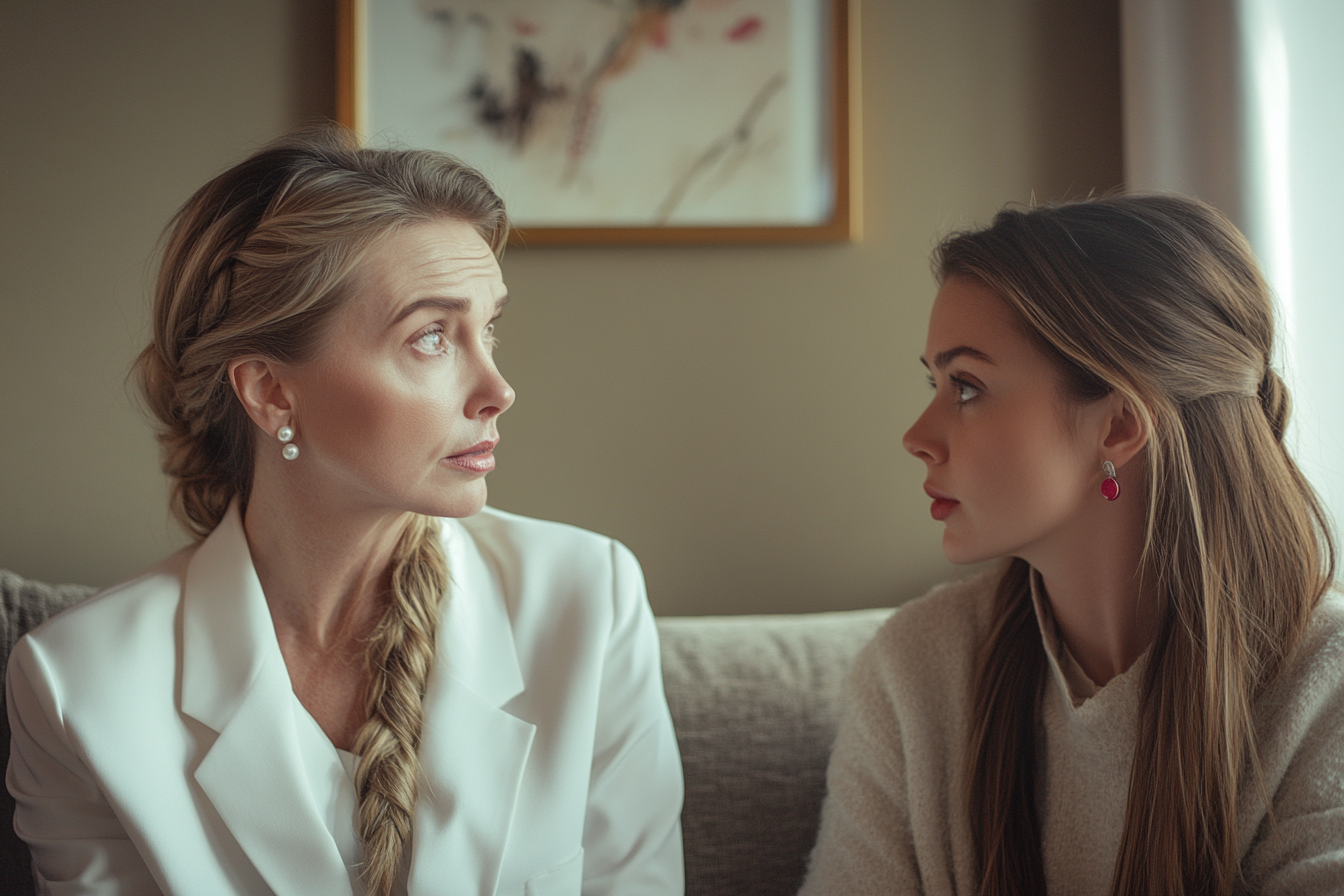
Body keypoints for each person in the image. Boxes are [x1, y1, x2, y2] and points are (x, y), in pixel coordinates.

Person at [5, 125, 684, 895]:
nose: (498, 389)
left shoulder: (588, 598)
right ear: (270, 391)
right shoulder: (76, 690)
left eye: (487, 327)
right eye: (432, 336)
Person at [799, 195, 1342, 896]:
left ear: (1118, 426)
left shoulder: (1323, 690)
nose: (917, 436)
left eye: (966, 386)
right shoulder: (914, 673)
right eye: (933, 383)